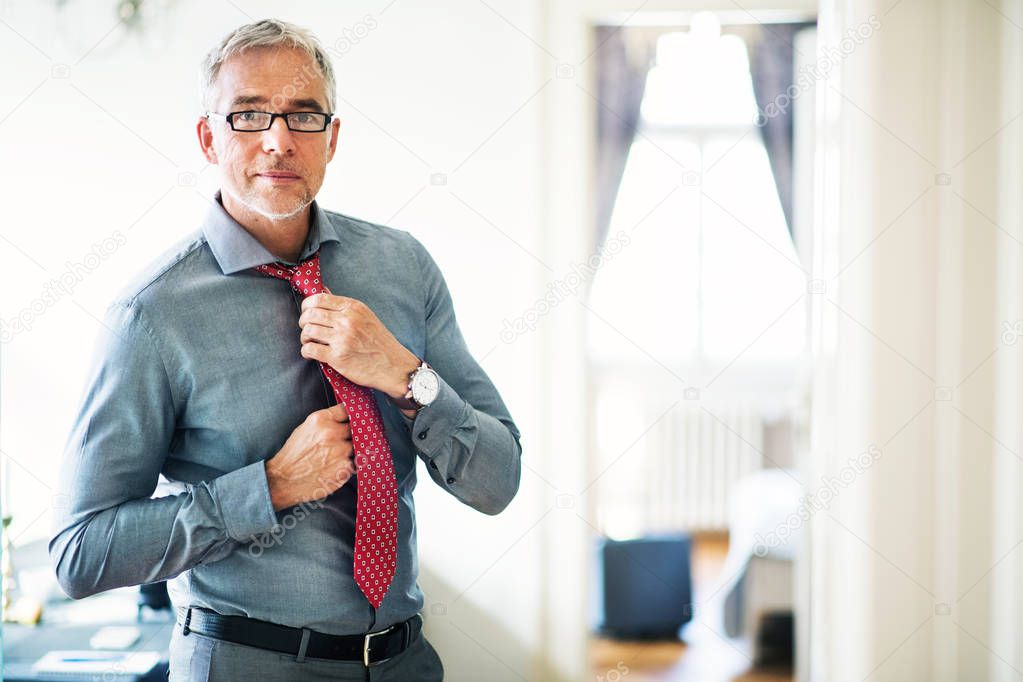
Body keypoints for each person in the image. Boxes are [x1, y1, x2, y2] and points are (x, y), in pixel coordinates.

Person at [48, 18, 522, 681]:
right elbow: (79, 555)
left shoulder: (403, 269)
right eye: (248, 115)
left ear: (332, 139)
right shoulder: (150, 315)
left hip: (404, 663)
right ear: (208, 138)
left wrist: (405, 376)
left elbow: (499, 482)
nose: (277, 141)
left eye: (302, 117)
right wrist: (266, 489)